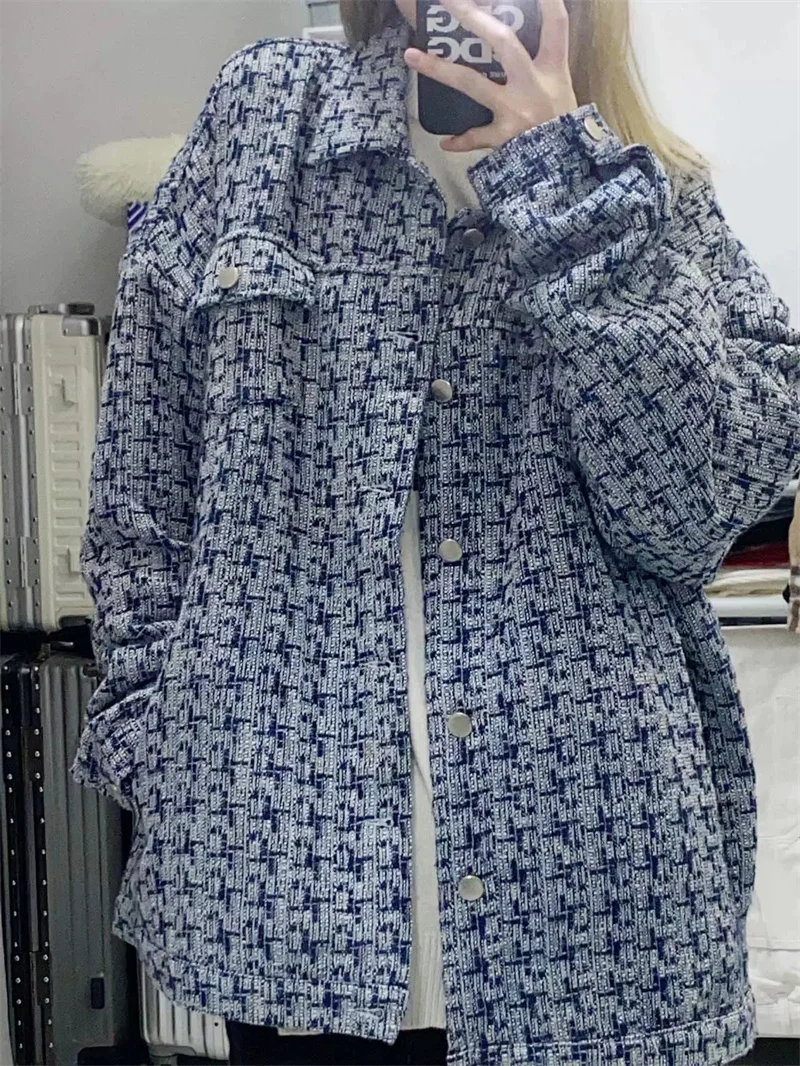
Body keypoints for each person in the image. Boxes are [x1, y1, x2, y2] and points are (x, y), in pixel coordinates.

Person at [71, 0, 800, 1062]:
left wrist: (562, 185)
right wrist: (166, 744)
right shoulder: (264, 117)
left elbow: (689, 519)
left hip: (593, 899)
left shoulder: (641, 188)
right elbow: (142, 474)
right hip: (286, 885)